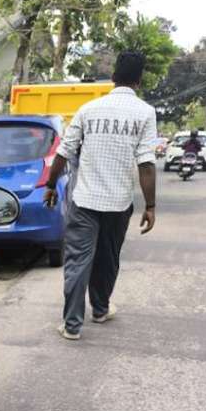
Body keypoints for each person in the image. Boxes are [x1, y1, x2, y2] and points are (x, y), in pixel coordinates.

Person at [43, 50, 157, 340]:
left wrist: (49, 186)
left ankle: (72, 326)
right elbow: (146, 164)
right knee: (108, 258)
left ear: (114, 77)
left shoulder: (88, 109)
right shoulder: (145, 112)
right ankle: (101, 309)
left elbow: (63, 153)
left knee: (77, 261)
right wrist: (151, 205)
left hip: (85, 201)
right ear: (139, 80)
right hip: (118, 203)